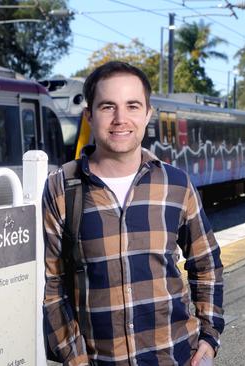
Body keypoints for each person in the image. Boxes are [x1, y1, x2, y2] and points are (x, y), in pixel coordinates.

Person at [43, 61, 224, 365]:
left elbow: (206, 264)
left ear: (148, 114)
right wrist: (73, 356)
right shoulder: (62, 188)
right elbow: (51, 283)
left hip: (175, 355)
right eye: (107, 107)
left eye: (132, 106)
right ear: (89, 115)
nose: (120, 119)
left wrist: (210, 334)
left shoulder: (176, 184)